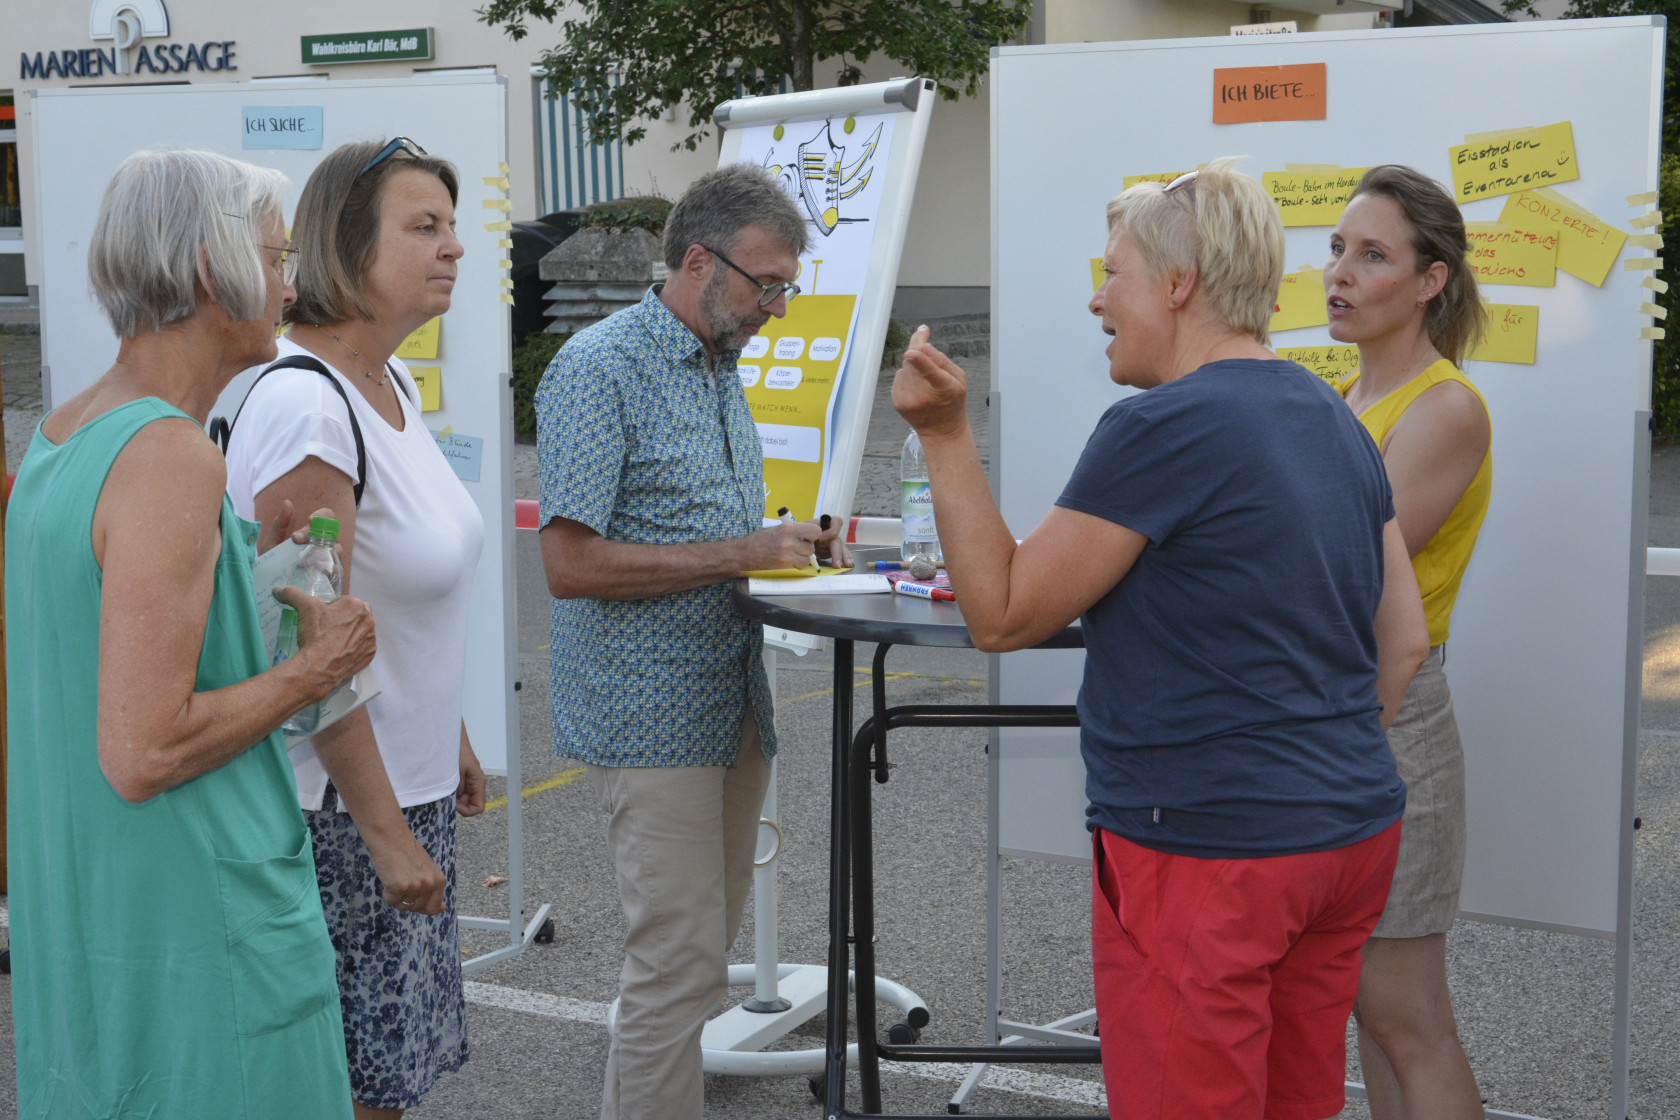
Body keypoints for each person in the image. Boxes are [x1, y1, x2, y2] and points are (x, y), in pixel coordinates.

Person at [890, 158, 1431, 1120]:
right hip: (1347, 830)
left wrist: (943, 434)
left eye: (1114, 273)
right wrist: (1308, 772)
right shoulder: (1333, 414)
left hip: (1208, 846)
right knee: (1292, 1101)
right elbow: (1406, 639)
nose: (1099, 300)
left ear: (1179, 286)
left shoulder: (1164, 427)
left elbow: (1002, 613)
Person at [5, 149, 376, 1119]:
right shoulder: (169, 458)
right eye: (277, 252)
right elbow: (145, 746)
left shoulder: (63, 437)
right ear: (214, 272)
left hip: (94, 915)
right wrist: (318, 668)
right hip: (196, 930)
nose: (293, 282)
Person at [534, 161, 849, 1120]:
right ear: (700, 262)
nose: (779, 310)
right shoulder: (598, 368)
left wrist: (789, 550)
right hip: (648, 716)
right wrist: (738, 552)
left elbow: (700, 533)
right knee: (672, 969)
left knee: (696, 965)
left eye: (788, 287)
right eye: (768, 284)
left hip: (726, 704)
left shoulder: (715, 365)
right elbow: (570, 566)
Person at [223, 137, 485, 1120]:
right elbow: (308, 640)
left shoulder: (391, 385)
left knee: (385, 1083)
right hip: (339, 812)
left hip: (399, 785)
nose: (453, 247)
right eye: (425, 227)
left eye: (453, 225)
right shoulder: (308, 405)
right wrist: (384, 834)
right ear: (347, 245)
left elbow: (392, 592)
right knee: (349, 1094)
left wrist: (445, 724)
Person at [1326, 164, 1492, 1120]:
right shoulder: (1348, 398)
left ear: (1431, 280)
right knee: (1367, 1009)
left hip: (1392, 718)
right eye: (1338, 250)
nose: (1341, 273)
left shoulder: (1444, 408)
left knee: (1404, 1014)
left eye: (1373, 255)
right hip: (1344, 713)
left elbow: (1348, 577)